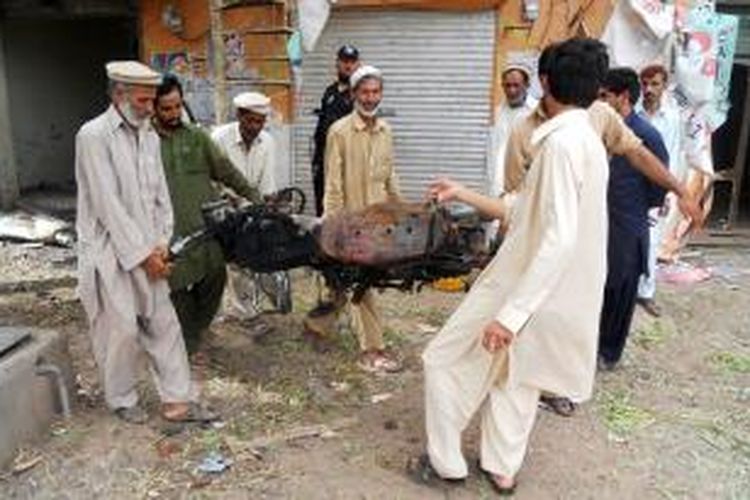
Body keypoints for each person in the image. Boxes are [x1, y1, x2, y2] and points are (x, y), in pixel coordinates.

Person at [414, 38, 610, 494]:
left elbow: (556, 238)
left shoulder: (561, 146)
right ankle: (501, 467)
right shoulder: (586, 142)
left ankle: (445, 464)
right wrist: (462, 193)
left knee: (443, 359)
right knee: (520, 375)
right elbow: (526, 209)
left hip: (526, 285)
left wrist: (511, 315)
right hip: (556, 293)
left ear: (544, 82)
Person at [501, 43, 700, 419]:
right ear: (547, 80)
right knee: (533, 312)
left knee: (578, 310)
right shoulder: (523, 131)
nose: (596, 92)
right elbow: (512, 194)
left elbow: (638, 153)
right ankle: (530, 384)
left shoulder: (599, 116)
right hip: (542, 240)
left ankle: (560, 383)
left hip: (587, 237)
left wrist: (681, 189)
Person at [75, 61, 213, 424]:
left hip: (149, 249)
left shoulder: (148, 135)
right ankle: (122, 399)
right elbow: (108, 205)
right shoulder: (93, 136)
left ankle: (177, 396)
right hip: (109, 251)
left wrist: (162, 243)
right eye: (143, 100)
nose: (150, 108)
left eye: (152, 101)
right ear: (118, 95)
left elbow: (160, 197)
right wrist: (141, 255)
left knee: (164, 323)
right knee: (119, 329)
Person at [303, 65, 402, 373]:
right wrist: (332, 227)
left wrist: (402, 210)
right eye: (364, 92)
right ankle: (372, 350)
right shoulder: (340, 132)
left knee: (343, 284)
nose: (370, 98)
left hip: (378, 223)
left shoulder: (386, 131)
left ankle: (315, 325)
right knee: (363, 284)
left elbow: (389, 176)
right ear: (354, 94)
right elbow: (332, 184)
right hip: (351, 226)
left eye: (375, 92)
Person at [153, 75, 260, 355]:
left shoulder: (198, 137)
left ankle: (196, 331)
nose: (174, 113)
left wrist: (255, 196)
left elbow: (225, 171)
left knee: (215, 276)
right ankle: (188, 342)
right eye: (166, 108)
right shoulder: (145, 143)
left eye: (177, 106)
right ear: (153, 108)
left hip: (203, 229)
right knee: (175, 289)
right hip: (166, 234)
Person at [598, 68, 669, 370]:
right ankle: (591, 346)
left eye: (605, 96)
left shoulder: (646, 134)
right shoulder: (599, 129)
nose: (599, 102)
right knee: (599, 287)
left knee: (621, 289)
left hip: (627, 224)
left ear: (622, 97)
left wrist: (636, 206)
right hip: (600, 221)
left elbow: (659, 182)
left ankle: (609, 353)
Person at [212, 92, 278, 319]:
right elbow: (213, 179)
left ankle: (245, 311)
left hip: (250, 208)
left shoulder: (267, 142)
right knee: (219, 262)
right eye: (250, 120)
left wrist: (269, 206)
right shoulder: (219, 138)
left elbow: (267, 183)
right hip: (222, 206)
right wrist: (228, 199)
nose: (255, 126)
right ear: (239, 116)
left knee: (245, 260)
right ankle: (216, 312)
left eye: (260, 121)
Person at [634, 64, 682, 317]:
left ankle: (646, 293)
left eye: (655, 84)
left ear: (664, 86)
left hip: (657, 187)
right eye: (645, 84)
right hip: (632, 185)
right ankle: (626, 289)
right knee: (630, 239)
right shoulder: (634, 115)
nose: (649, 90)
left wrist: (667, 192)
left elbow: (672, 155)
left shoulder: (672, 118)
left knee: (652, 241)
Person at [311, 45, 360, 216]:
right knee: (324, 206)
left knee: (347, 210)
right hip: (324, 159)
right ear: (337, 64)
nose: (348, 66)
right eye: (344, 61)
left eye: (352, 62)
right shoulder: (329, 92)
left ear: (358, 65)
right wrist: (316, 160)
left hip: (347, 162)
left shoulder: (360, 95)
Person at [487, 63, 538, 198]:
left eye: (516, 85)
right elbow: (494, 152)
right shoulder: (498, 112)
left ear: (527, 85)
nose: (512, 91)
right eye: (507, 85)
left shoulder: (537, 112)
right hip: (497, 186)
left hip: (525, 187)